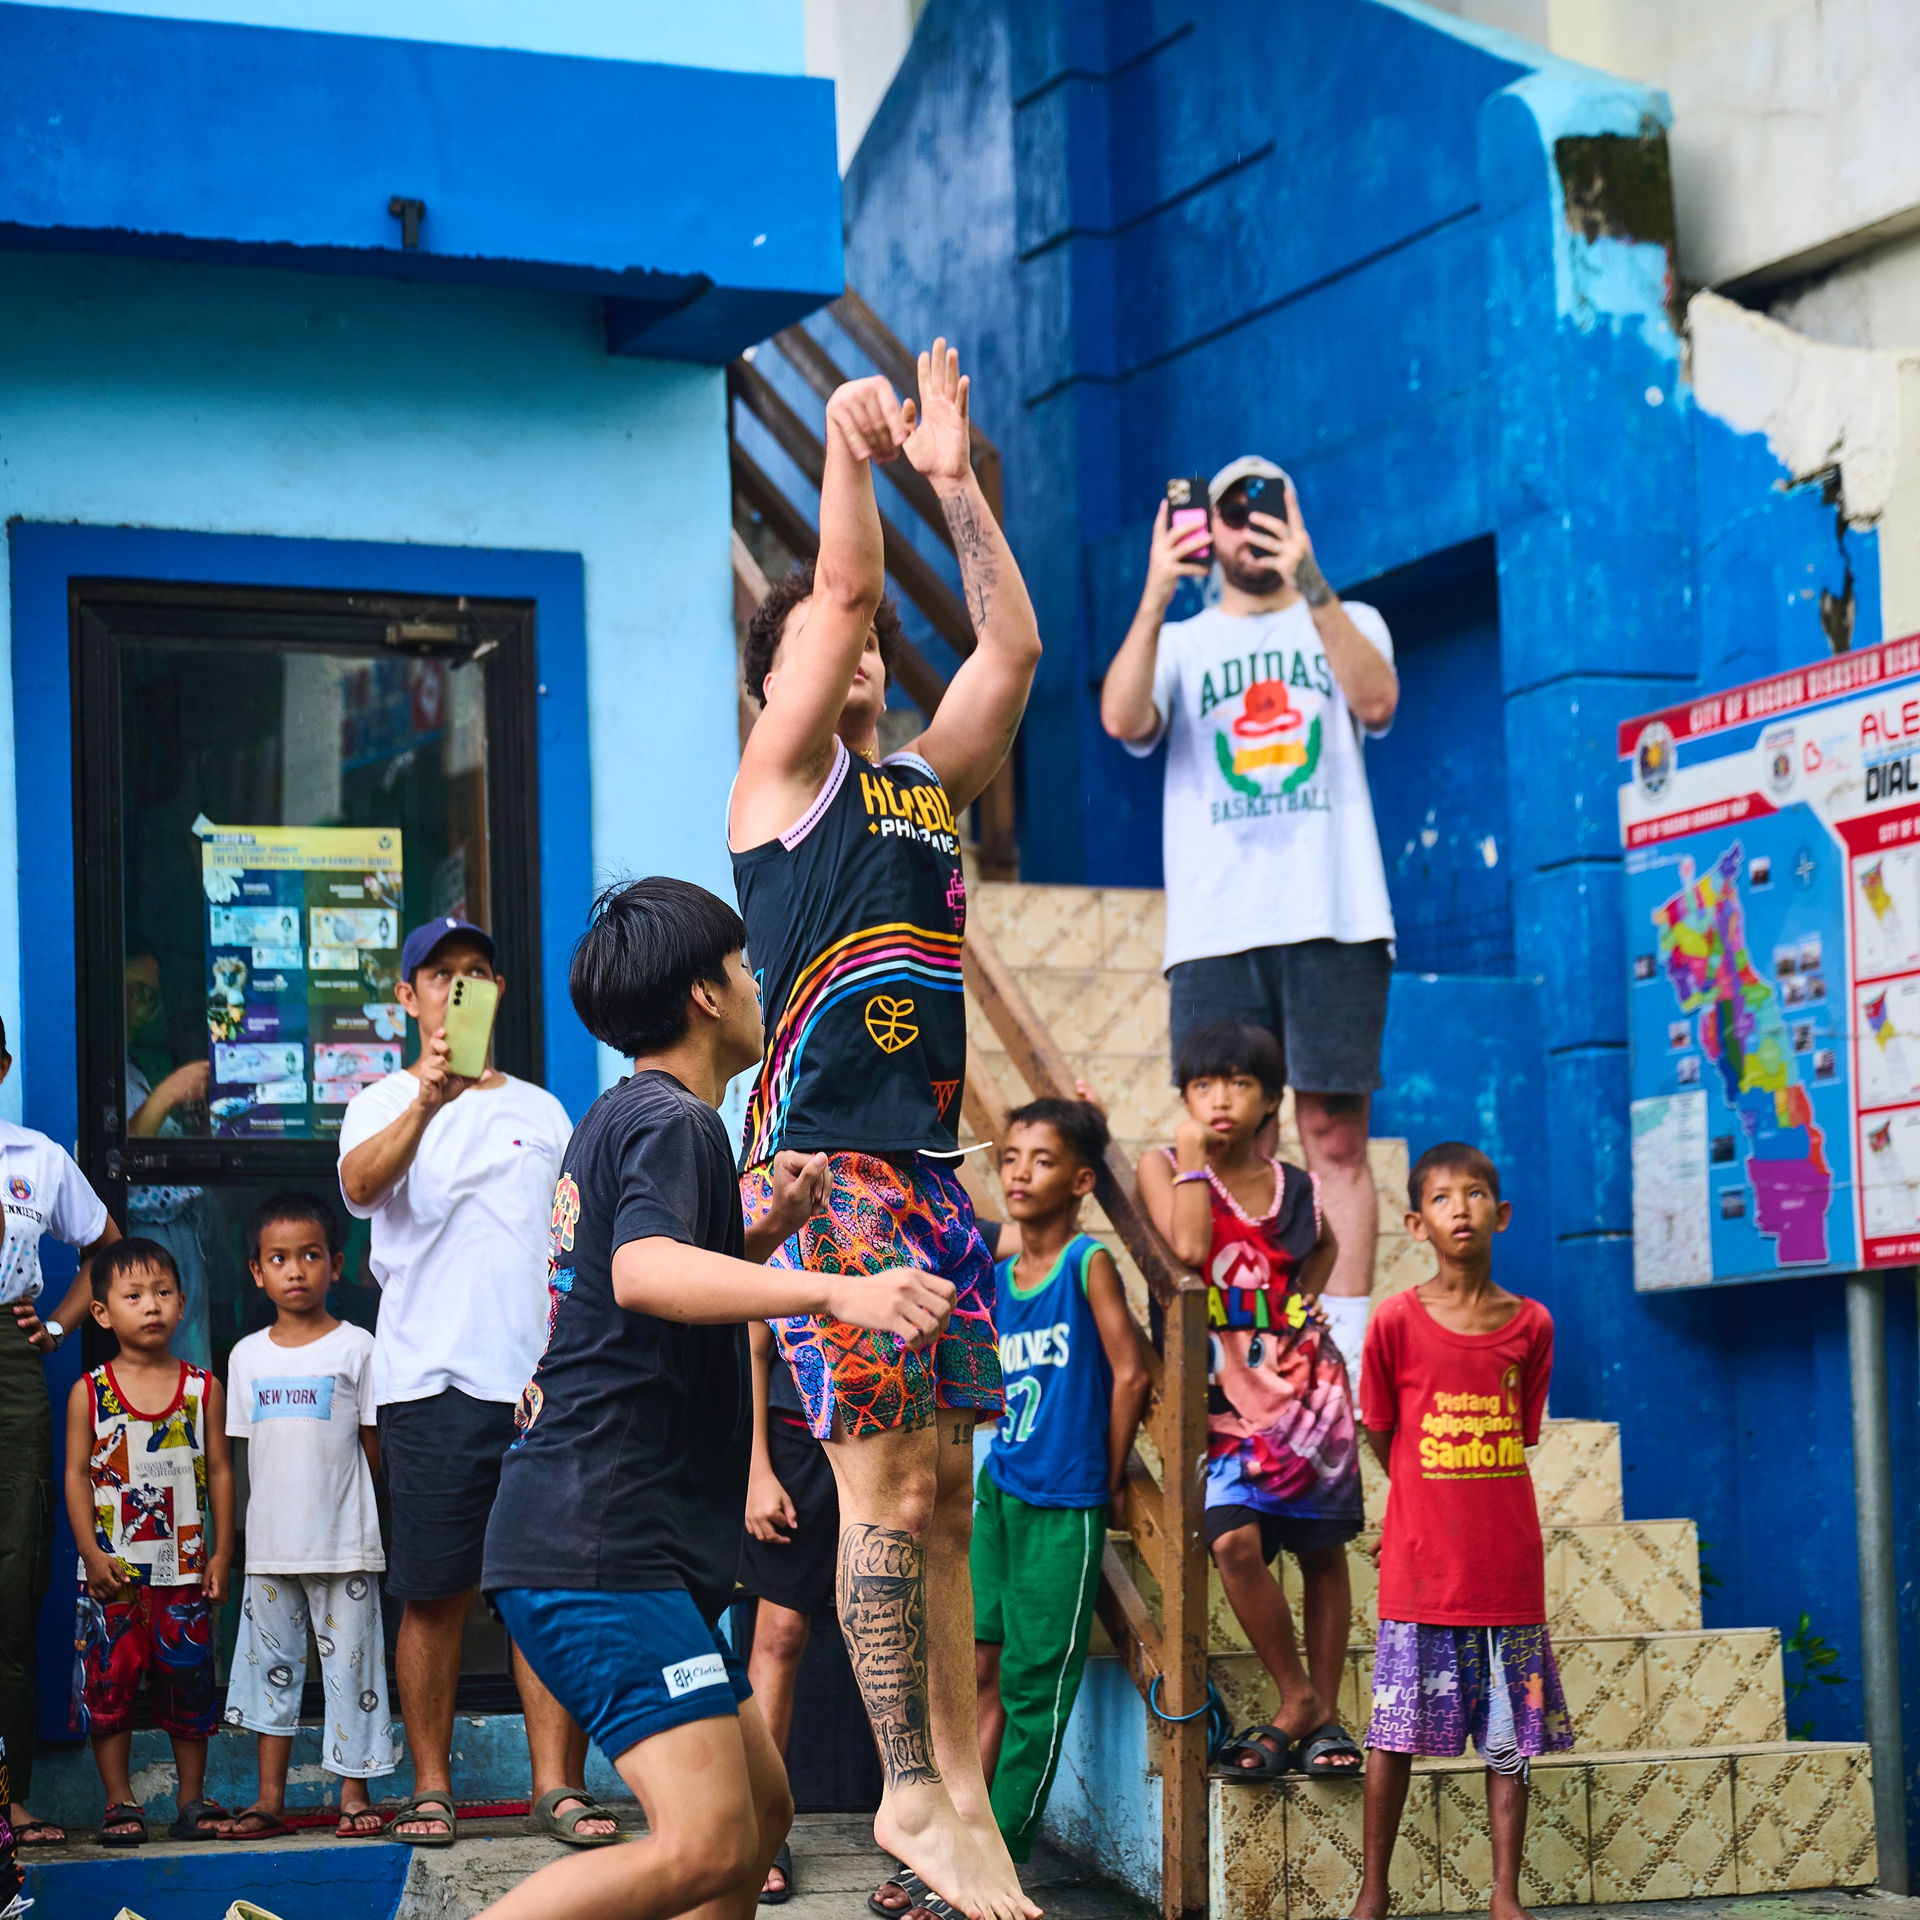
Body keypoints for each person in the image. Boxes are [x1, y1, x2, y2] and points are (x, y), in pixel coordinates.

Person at [475, 876, 955, 1920]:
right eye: (743, 966)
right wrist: (840, 1288)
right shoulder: (676, 1121)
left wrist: (768, 1232)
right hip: (599, 1549)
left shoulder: (632, 1114)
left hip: (624, 1546)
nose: (756, 984)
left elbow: (657, 1274)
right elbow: (645, 1272)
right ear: (704, 993)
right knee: (704, 1847)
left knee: (760, 1815)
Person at [728, 343, 1043, 1920]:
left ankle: (962, 1805)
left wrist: (953, 480)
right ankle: (907, 1795)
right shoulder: (777, 788)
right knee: (884, 1494)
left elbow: (1015, 649)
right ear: (773, 685)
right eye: (819, 643)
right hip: (831, 1173)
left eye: (858, 647)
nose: (852, 649)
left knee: (950, 1499)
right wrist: (848, 449)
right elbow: (846, 592)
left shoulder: (923, 784)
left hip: (932, 1181)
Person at [1099, 458, 1400, 1376]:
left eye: (1269, 506)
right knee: (1233, 1138)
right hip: (1217, 928)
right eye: (1231, 511)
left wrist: (1311, 578)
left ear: (1298, 517)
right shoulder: (1183, 641)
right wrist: (1156, 592)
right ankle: (1241, 1354)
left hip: (1336, 917)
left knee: (1335, 1138)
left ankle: (1340, 1357)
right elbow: (1122, 719)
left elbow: (1377, 700)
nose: (1249, 525)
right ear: (1206, 530)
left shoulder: (1349, 618)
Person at [338, 916, 612, 1848]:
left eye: (477, 973)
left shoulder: (544, 1111)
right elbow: (360, 1189)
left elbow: (574, 1244)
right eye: (440, 974)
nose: (460, 987)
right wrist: (429, 1099)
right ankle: (430, 1787)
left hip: (539, 1387)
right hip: (429, 1382)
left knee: (545, 1591)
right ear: (407, 996)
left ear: (495, 991)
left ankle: (556, 1786)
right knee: (433, 1591)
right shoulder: (381, 1099)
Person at [1137, 1021, 1364, 1779]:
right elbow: (1189, 1249)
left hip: (1307, 1390)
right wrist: (1193, 1156)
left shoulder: (1298, 1186)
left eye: (1240, 1084)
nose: (1220, 1099)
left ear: (1271, 1099)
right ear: (1185, 1097)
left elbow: (1324, 1246)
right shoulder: (1164, 1166)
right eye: (1203, 1085)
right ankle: (1301, 1698)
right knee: (1232, 1540)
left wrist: (1304, 1302)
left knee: (1321, 1551)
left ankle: (1321, 1721)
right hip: (1221, 1397)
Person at [1351, 1143, 1569, 1920]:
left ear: (1500, 1214)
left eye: (1475, 1194)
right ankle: (1373, 1892)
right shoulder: (1394, 1323)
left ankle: (1505, 1895)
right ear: (1417, 1224)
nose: (1460, 1209)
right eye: (1441, 1198)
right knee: (1392, 1733)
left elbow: (1520, 1435)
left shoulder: (1532, 1324)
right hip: (1421, 1570)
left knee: (1510, 1739)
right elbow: (1382, 1430)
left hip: (1508, 1568)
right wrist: (1412, 1504)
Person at [970, 1099, 1148, 1865]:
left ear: (1080, 1181)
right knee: (976, 1665)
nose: (1019, 1172)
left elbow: (1131, 1370)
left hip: (1064, 1501)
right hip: (999, 1489)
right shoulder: (1000, 1275)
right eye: (1010, 1157)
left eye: (1042, 1160)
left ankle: (1000, 1857)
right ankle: (955, 1841)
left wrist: (1107, 1475)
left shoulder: (1087, 1264)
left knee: (1033, 1689)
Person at [217, 1193, 391, 1841]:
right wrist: (235, 1542)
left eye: (311, 1256)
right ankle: (269, 1800)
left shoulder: (358, 1348)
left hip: (345, 1545)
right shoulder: (246, 1357)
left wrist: (363, 1518)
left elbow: (374, 1450)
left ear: (336, 1265)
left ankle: (354, 1794)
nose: (296, 1270)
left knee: (353, 1672)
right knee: (271, 1674)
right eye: (279, 1259)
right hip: (270, 1549)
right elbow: (242, 1459)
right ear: (257, 1272)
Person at [64, 1238, 234, 1846]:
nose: (152, 1305)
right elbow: (76, 1477)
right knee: (108, 1689)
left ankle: (191, 1800)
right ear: (102, 1313)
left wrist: (221, 1553)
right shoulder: (91, 1391)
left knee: (190, 1688)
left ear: (182, 1303)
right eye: (133, 1296)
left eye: (163, 1292)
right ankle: (120, 1801)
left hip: (184, 1574)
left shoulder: (202, 1388)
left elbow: (220, 1471)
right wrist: (91, 1554)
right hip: (112, 1576)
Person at [0, 1012, 121, 1855]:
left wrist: (54, 1326)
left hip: (10, 1361)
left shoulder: (35, 1158)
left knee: (13, 1581)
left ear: (3, 1064)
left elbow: (105, 1249)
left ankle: (8, 1803)